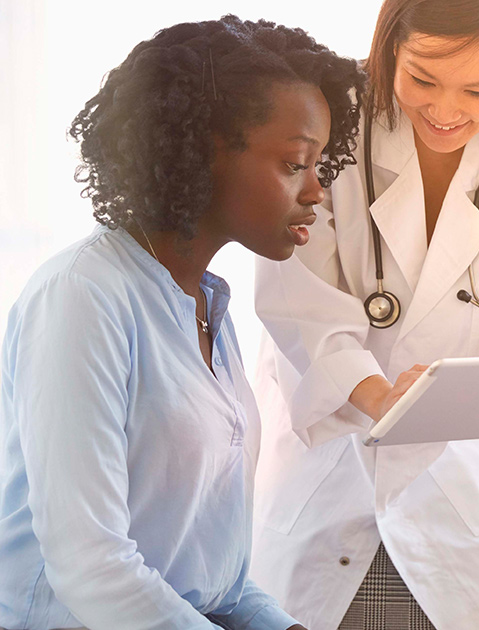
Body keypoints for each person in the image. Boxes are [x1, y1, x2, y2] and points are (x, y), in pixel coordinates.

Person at [249, 0, 479, 628]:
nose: (446, 111)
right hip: (331, 490)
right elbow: (298, 306)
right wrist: (372, 392)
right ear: (391, 44)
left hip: (466, 512)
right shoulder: (329, 129)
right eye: (422, 78)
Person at [0, 15, 364, 630]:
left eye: (320, 165)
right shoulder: (82, 297)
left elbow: (214, 578)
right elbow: (91, 565)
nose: (317, 192)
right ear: (201, 153)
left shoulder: (209, 311)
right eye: (294, 163)